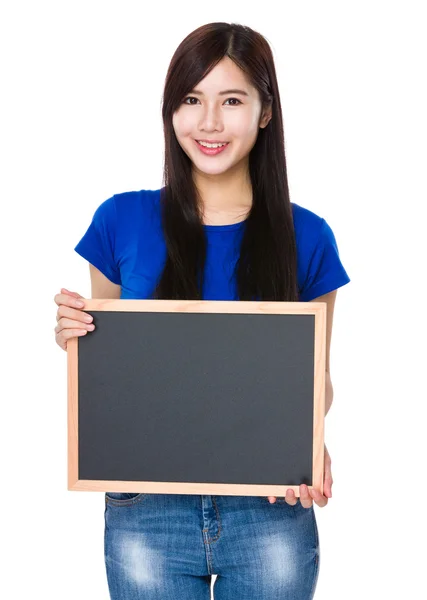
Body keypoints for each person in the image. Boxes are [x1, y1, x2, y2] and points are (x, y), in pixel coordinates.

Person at [54, 22, 350, 600]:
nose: (209, 123)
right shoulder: (120, 220)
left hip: (268, 502)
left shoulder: (307, 236)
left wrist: (305, 437)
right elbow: (113, 371)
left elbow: (319, 381)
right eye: (191, 100)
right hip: (146, 507)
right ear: (172, 112)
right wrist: (77, 338)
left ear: (265, 112)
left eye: (232, 100)